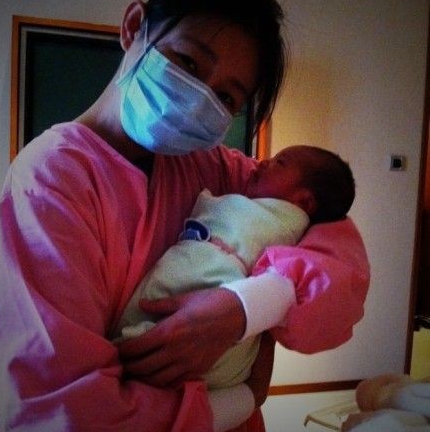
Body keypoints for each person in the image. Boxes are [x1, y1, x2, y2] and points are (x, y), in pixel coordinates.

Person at [0, 0, 370, 432]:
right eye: (188, 62)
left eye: (228, 98)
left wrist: (245, 308)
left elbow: (342, 269)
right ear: (134, 27)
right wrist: (242, 398)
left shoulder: (215, 170)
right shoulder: (52, 182)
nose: (199, 98)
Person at [117, 145, 355, 393]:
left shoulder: (288, 223)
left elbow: (335, 276)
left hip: (220, 354)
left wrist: (249, 306)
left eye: (279, 162)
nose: (262, 162)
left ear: (304, 201)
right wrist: (247, 397)